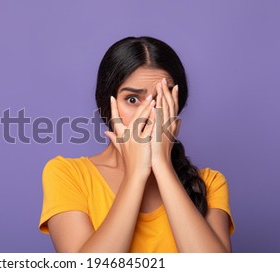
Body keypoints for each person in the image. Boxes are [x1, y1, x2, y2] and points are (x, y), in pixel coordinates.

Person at [38, 36, 235, 253]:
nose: (149, 114)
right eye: (132, 99)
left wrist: (162, 165)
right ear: (107, 106)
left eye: (162, 99)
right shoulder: (67, 174)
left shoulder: (210, 183)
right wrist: (135, 175)